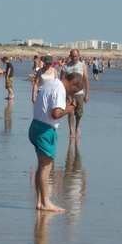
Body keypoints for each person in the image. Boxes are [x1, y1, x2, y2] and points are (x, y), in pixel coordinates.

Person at [28, 70, 80, 213]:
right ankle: (46, 202)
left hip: (35, 125)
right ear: (72, 83)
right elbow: (55, 113)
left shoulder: (51, 83)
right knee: (46, 168)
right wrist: (69, 109)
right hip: (45, 130)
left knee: (41, 167)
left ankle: (40, 201)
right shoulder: (60, 89)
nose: (74, 93)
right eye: (75, 90)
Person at [60, 49, 90, 139]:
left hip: (80, 93)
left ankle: (77, 126)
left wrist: (87, 93)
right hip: (69, 94)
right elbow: (62, 81)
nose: (74, 58)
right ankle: (71, 130)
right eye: (73, 56)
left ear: (79, 55)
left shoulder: (82, 65)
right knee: (70, 112)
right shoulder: (65, 67)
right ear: (70, 56)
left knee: (79, 113)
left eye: (76, 56)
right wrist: (64, 94)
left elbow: (86, 80)